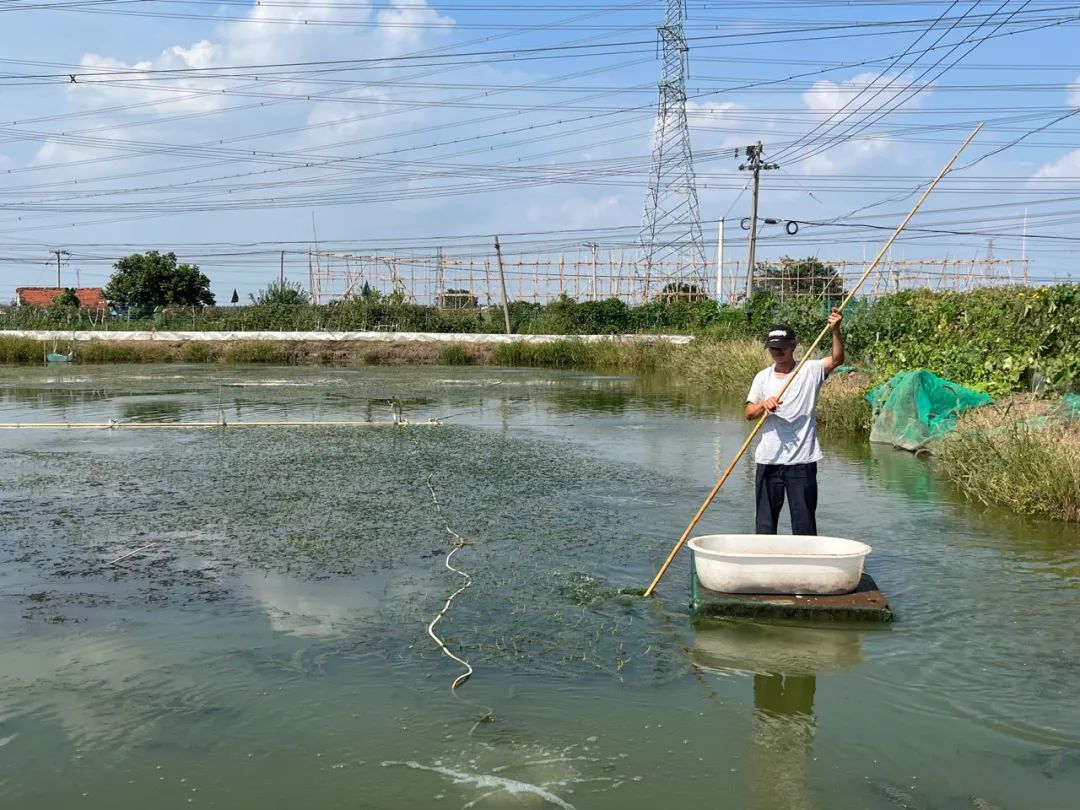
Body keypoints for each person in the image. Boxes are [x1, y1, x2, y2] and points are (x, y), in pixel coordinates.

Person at [744, 309, 844, 535]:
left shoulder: (810, 370)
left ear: (794, 346)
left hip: (802, 461)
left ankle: (805, 564)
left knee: (804, 523)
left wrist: (835, 330)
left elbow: (837, 359)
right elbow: (749, 413)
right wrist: (764, 405)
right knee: (765, 524)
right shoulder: (762, 377)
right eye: (773, 348)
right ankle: (767, 561)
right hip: (769, 460)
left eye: (782, 347)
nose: (777, 351)